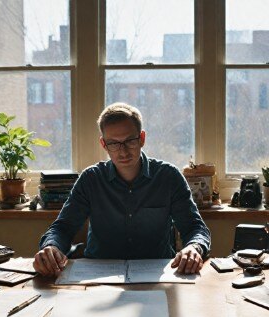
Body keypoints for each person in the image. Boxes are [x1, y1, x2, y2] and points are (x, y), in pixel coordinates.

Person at [34, 103, 211, 276]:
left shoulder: (168, 177)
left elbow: (195, 228)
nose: (123, 151)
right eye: (113, 143)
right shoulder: (91, 179)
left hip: (156, 277)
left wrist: (193, 247)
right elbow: (63, 228)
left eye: (130, 141)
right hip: (99, 277)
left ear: (142, 138)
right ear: (103, 144)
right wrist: (52, 247)